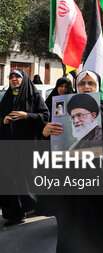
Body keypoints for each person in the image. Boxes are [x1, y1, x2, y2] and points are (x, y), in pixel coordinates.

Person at [42, 70, 103, 252]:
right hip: (70, 183)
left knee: (100, 231)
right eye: (82, 83)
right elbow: (53, 148)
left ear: (97, 87)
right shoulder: (62, 109)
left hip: (99, 182)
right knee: (71, 231)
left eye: (91, 83)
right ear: (76, 86)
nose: (86, 87)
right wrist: (45, 134)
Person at [0, 69, 49, 226]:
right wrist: (4, 121)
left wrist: (26, 115)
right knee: (9, 178)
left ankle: (36, 206)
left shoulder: (33, 96)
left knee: (29, 178)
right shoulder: (6, 98)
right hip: (9, 147)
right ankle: (14, 213)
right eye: (11, 77)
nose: (14, 80)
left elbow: (44, 116)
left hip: (29, 145)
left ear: (24, 79)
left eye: (17, 77)